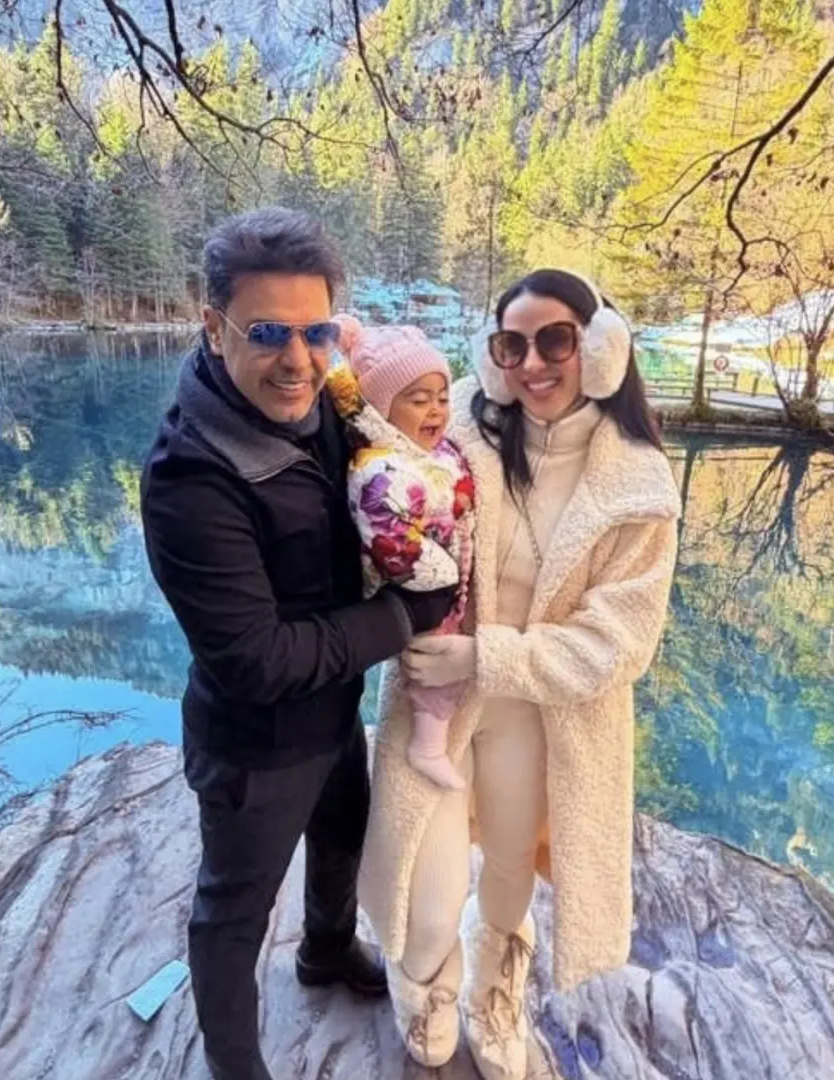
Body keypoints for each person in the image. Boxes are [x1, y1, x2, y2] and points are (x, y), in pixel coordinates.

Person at [139, 207, 456, 1080]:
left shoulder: (324, 401)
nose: (298, 359)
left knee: (343, 833)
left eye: (316, 332)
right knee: (232, 914)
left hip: (332, 712)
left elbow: (400, 425)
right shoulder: (189, 479)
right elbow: (257, 659)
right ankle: (235, 1064)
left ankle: (325, 951)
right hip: (255, 747)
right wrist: (406, 618)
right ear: (214, 327)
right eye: (268, 333)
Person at [358, 269, 678, 1079]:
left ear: (600, 348)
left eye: (556, 341)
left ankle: (496, 986)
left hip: (542, 714)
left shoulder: (639, 482)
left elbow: (621, 642)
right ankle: (422, 977)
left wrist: (488, 655)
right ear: (491, 354)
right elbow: (372, 497)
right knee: (429, 887)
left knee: (507, 872)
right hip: (436, 703)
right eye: (512, 345)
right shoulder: (452, 426)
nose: (532, 364)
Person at [325, 316, 476, 792]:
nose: (435, 410)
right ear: (383, 407)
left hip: (444, 574)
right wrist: (443, 576)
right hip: (418, 587)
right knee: (434, 669)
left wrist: (462, 498)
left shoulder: (426, 450)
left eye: (442, 398)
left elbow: (454, 474)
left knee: (447, 666)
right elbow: (391, 546)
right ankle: (427, 747)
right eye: (418, 399)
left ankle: (435, 740)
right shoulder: (380, 471)